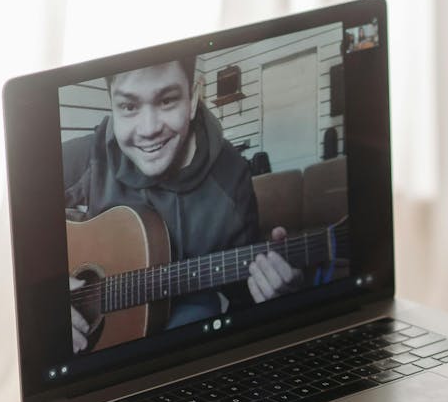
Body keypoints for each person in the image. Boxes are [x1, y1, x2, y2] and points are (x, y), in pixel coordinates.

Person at [63, 58, 301, 353]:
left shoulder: (232, 180)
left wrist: (276, 297)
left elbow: (244, 303)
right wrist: (42, 296)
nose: (148, 129)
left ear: (193, 98)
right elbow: (4, 236)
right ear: (112, 105)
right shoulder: (85, 157)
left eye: (167, 101)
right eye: (128, 106)